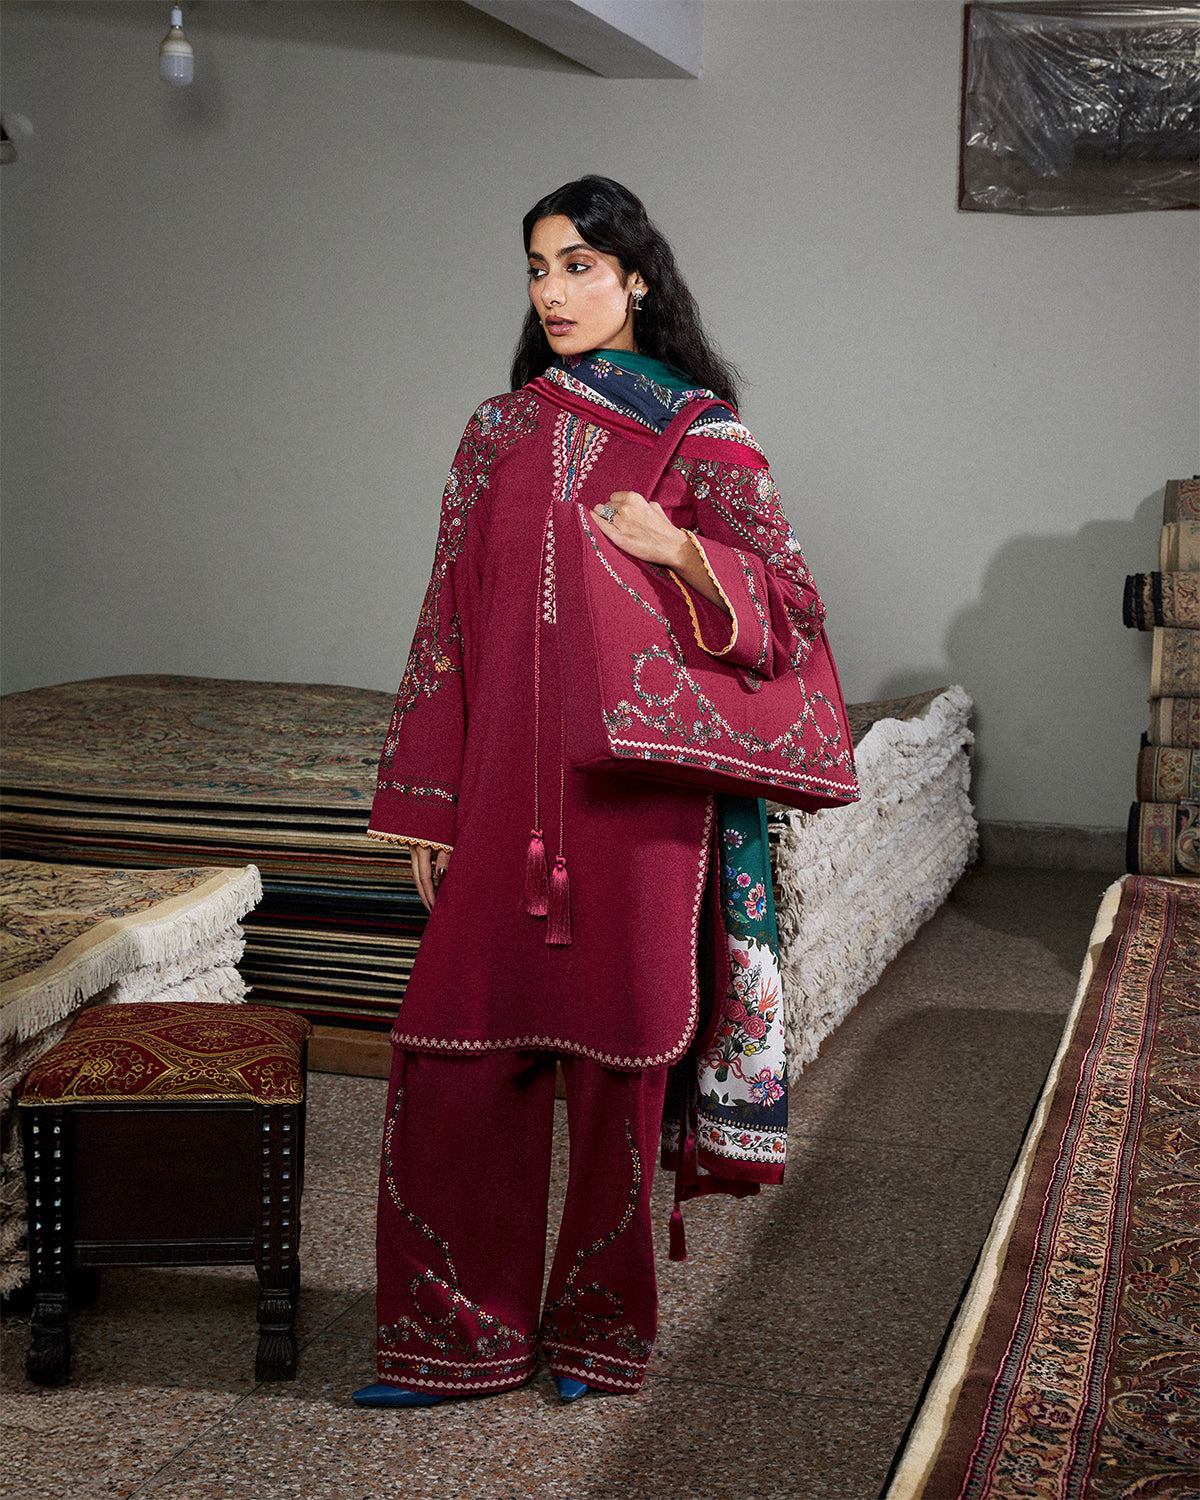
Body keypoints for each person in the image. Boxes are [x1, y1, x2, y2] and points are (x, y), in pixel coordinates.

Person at [353, 176, 852, 1408]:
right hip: (499, 800)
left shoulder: (701, 434)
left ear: (635, 277)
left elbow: (792, 614)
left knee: (621, 1067)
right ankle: (455, 1337)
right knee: (460, 1055)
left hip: (637, 815)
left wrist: (679, 549)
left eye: (579, 265)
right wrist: (426, 800)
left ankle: (596, 1337)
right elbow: (446, 623)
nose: (555, 292)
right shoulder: (496, 432)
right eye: (538, 269)